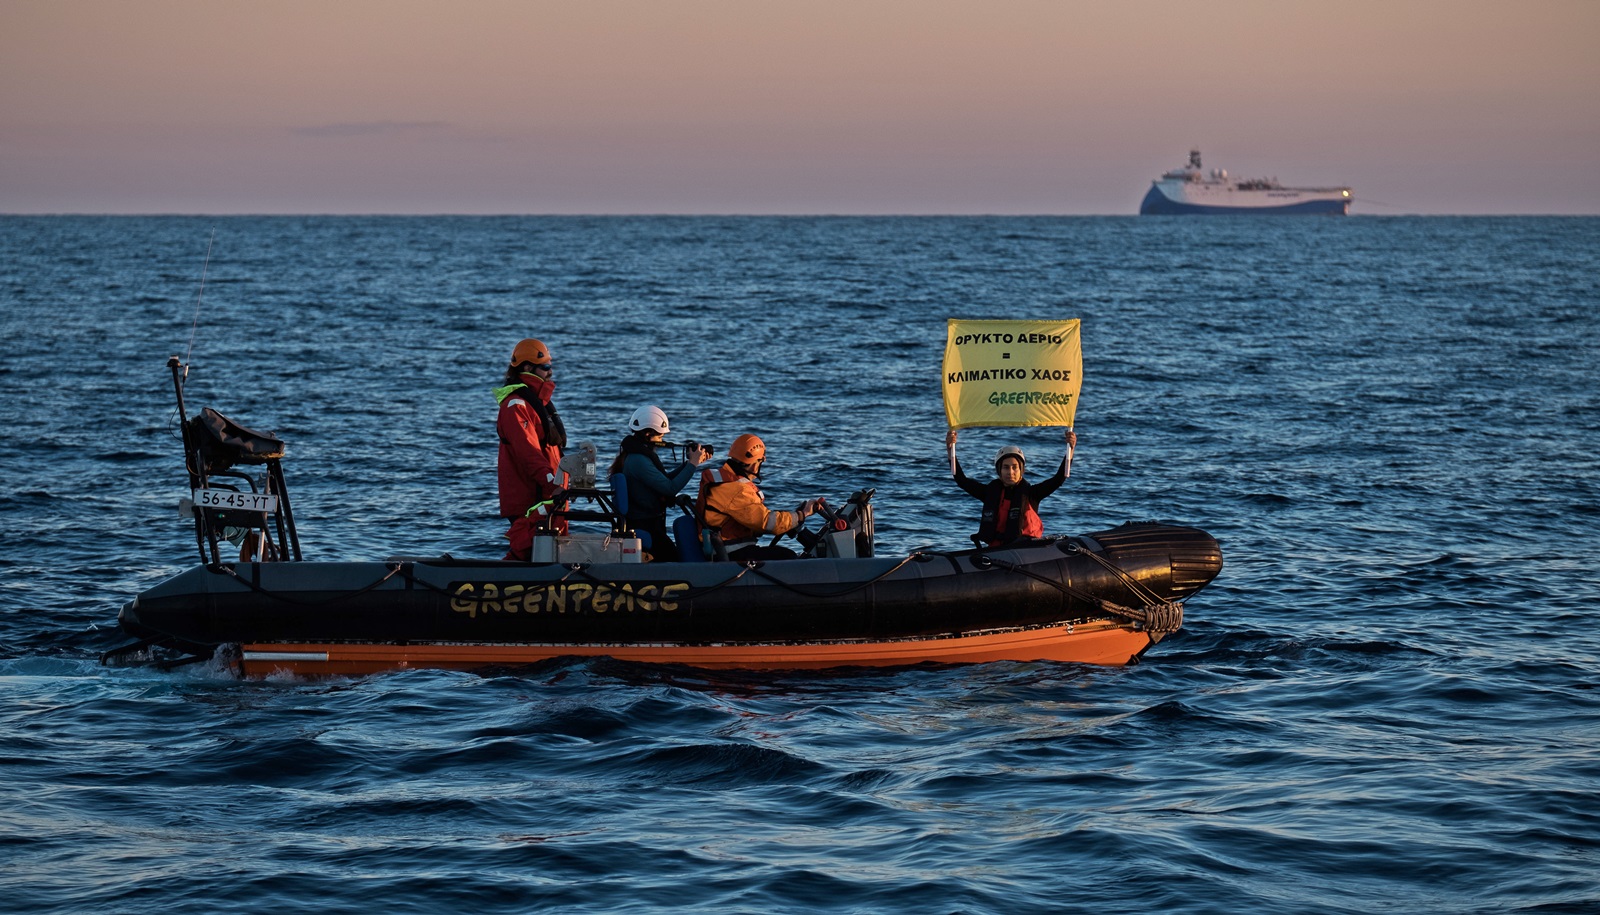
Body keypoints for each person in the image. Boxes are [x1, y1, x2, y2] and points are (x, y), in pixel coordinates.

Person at [697, 433, 825, 562]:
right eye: (760, 461)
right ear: (754, 464)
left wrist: (794, 519)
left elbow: (753, 521)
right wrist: (802, 514)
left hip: (723, 548)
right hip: (729, 552)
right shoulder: (736, 489)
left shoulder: (724, 480)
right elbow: (765, 522)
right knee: (787, 556)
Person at [495, 338, 568, 560]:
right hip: (532, 496)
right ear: (527, 368)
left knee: (545, 552)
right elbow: (528, 453)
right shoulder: (516, 406)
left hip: (550, 495)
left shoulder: (538, 404)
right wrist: (551, 483)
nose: (550, 372)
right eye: (545, 367)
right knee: (526, 549)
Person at [609, 405, 712, 561]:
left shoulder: (636, 456)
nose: (662, 441)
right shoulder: (639, 461)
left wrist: (690, 463)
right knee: (674, 559)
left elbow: (664, 481)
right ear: (648, 434)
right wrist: (692, 465)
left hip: (649, 523)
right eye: (660, 437)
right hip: (646, 525)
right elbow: (670, 489)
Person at [946, 428, 1077, 547]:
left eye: (1015, 467)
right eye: (1006, 467)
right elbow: (961, 480)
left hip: (1025, 550)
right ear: (999, 471)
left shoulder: (1032, 494)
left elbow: (1059, 478)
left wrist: (1070, 449)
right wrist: (950, 448)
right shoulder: (989, 492)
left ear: (1021, 470)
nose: (1010, 472)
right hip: (996, 551)